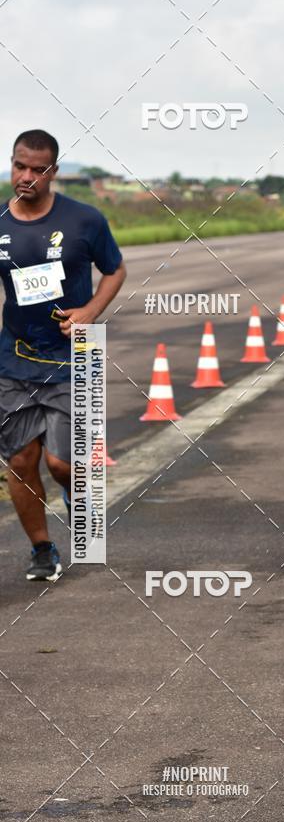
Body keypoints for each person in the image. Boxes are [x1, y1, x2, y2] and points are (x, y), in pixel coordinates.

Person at [0, 129, 126, 581]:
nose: (26, 177)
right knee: (19, 460)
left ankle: (78, 497)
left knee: (62, 463)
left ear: (53, 171)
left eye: (37, 169)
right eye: (19, 166)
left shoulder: (84, 220)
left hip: (75, 356)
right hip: (13, 359)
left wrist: (90, 312)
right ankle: (41, 550)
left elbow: (115, 270)